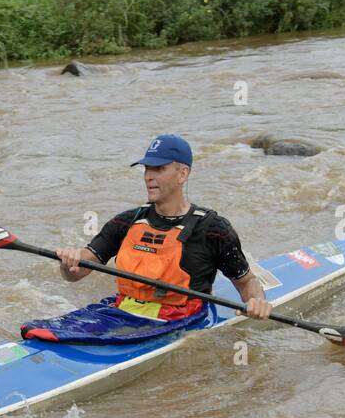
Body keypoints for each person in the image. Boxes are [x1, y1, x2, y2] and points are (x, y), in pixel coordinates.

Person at [55, 134, 272, 322]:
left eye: (159, 168)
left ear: (182, 174)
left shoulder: (213, 230)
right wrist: (69, 262)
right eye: (147, 168)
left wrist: (257, 302)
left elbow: (246, 282)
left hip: (182, 319)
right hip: (124, 312)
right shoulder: (126, 222)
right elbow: (76, 274)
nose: (149, 175)